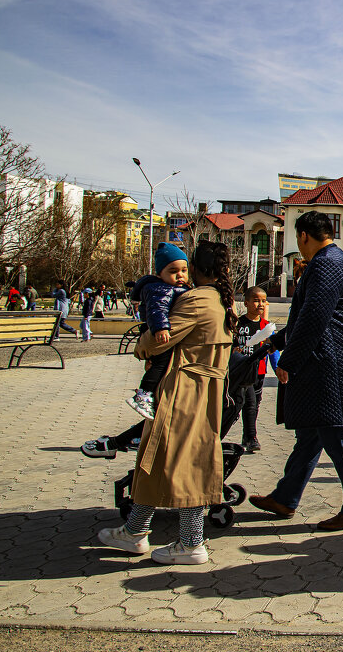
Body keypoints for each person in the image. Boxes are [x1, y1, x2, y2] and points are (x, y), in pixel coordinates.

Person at [94, 241, 237, 565]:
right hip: (205, 390)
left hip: (184, 391)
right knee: (157, 460)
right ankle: (135, 530)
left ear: (198, 269)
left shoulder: (196, 300)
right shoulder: (223, 300)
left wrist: (142, 347)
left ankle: (190, 542)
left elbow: (159, 341)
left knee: (186, 466)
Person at [250, 211, 343, 532]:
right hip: (324, 363)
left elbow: (314, 319)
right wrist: (273, 342)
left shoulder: (326, 263)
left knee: (341, 439)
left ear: (304, 235)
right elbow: (306, 318)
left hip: (331, 368)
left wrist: (287, 360)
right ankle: (285, 498)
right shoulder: (329, 261)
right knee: (310, 437)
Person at [125, 243, 191, 420]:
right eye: (173, 271)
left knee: (159, 365)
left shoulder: (171, 287)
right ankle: (144, 394)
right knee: (161, 364)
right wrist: (161, 327)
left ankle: (151, 395)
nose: (180, 275)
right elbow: (157, 309)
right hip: (157, 331)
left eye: (184, 270)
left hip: (162, 332)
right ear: (160, 273)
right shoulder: (160, 289)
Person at [232, 286, 279, 453]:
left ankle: (247, 435)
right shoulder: (237, 324)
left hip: (258, 372)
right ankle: (251, 436)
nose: (261, 304)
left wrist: (279, 367)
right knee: (248, 402)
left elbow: (273, 352)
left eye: (264, 301)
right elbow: (231, 346)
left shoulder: (266, 326)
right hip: (242, 371)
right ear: (246, 303)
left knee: (255, 403)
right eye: (256, 300)